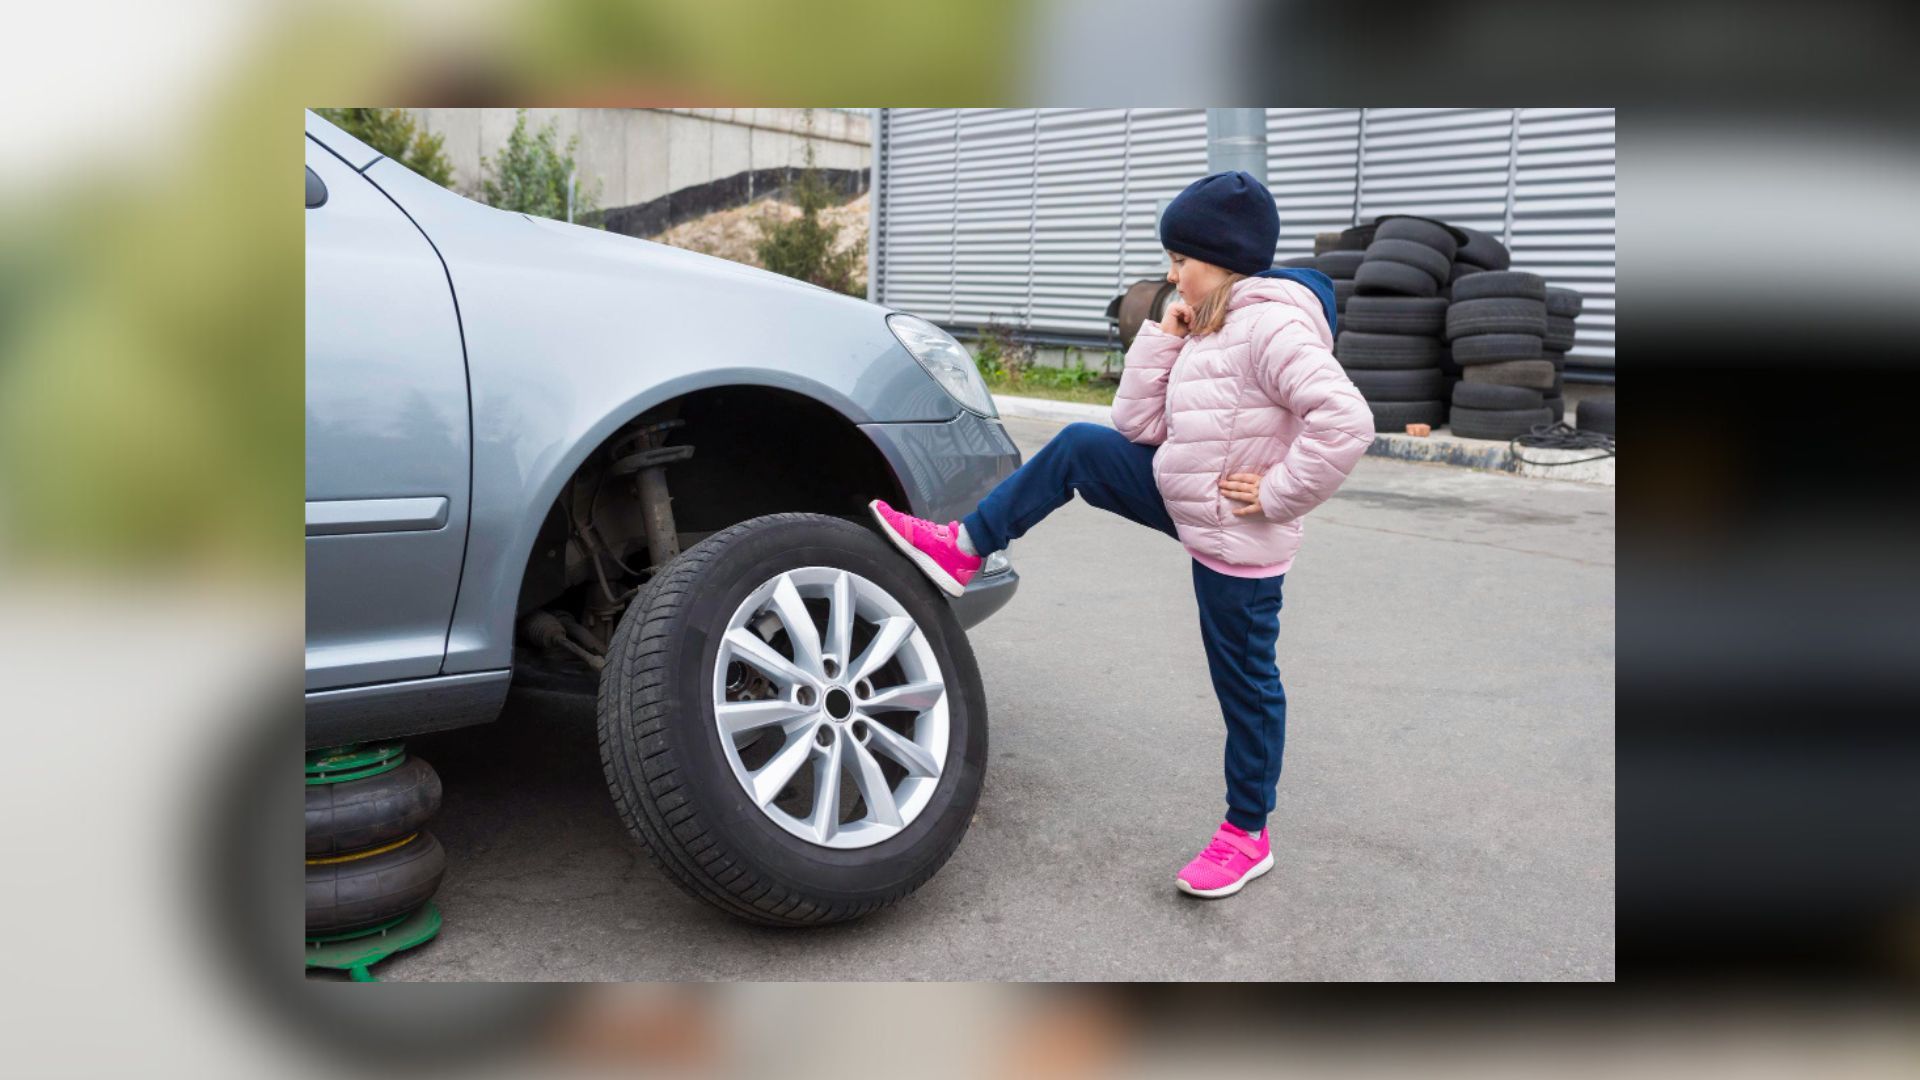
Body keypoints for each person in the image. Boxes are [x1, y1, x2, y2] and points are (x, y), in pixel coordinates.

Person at [871, 170, 1375, 898]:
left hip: (1237, 539)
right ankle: (965, 546)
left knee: (1245, 686)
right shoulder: (1210, 323)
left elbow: (1346, 422)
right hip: (1183, 496)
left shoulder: (1274, 327)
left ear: (1222, 259)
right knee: (1081, 446)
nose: (1171, 276)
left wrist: (1275, 495)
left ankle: (1247, 834)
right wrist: (1163, 338)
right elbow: (1135, 426)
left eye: (1181, 261)